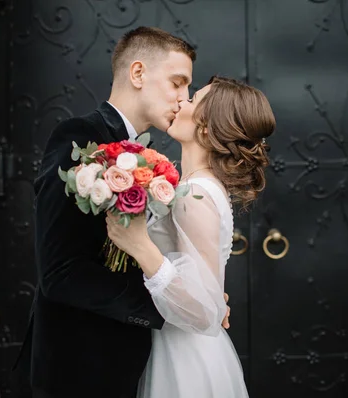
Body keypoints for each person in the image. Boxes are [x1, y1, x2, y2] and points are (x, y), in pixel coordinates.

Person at [11, 27, 229, 398]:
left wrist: (196, 297)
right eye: (177, 83)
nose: (184, 97)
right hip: (78, 367)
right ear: (138, 73)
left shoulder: (146, 157)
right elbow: (62, 273)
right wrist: (172, 308)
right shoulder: (79, 138)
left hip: (125, 365)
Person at [106, 76, 276, 398]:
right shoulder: (199, 186)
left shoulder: (194, 194)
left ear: (208, 128)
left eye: (193, 99)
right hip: (182, 343)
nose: (181, 102)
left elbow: (201, 311)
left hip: (184, 353)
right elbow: (207, 295)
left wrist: (141, 248)